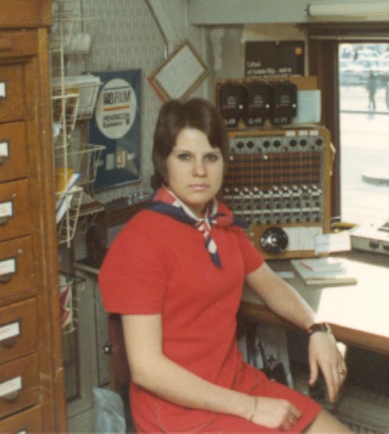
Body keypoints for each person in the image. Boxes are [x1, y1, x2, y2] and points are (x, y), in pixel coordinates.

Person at [99, 98, 350, 433]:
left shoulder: (220, 222)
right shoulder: (140, 241)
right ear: (163, 163)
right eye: (184, 157)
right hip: (179, 411)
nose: (200, 171)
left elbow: (270, 284)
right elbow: (147, 370)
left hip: (234, 385)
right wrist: (252, 408)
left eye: (211, 157)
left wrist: (317, 329)